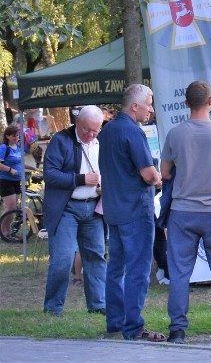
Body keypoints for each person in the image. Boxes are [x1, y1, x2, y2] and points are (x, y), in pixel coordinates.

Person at [159, 81, 211, 345]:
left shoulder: (175, 134)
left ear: (186, 103)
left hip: (183, 211)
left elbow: (165, 172)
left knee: (180, 273)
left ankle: (178, 330)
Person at [98, 84, 163, 341]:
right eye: (148, 103)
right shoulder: (133, 132)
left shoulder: (108, 130)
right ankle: (134, 327)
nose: (151, 109)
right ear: (134, 105)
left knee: (116, 269)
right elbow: (148, 174)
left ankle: (115, 323)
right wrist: (158, 177)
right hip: (136, 209)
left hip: (114, 208)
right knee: (137, 269)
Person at [42, 105, 107, 316]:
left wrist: (103, 185)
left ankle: (98, 305)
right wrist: (81, 180)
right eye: (87, 129)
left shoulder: (101, 141)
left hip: (93, 207)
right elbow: (50, 175)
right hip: (66, 208)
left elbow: (107, 170)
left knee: (96, 256)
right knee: (62, 259)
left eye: (95, 130)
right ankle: (53, 308)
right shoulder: (61, 140)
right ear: (77, 123)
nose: (91, 135)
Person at [0, 125, 24, 214]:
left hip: (17, 181)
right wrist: (10, 170)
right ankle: (3, 227)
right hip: (6, 181)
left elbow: (20, 163)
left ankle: (6, 228)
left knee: (13, 209)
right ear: (7, 136)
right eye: (14, 135)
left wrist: (34, 168)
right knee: (11, 208)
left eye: (17, 135)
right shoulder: (4, 148)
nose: (16, 137)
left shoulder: (18, 148)